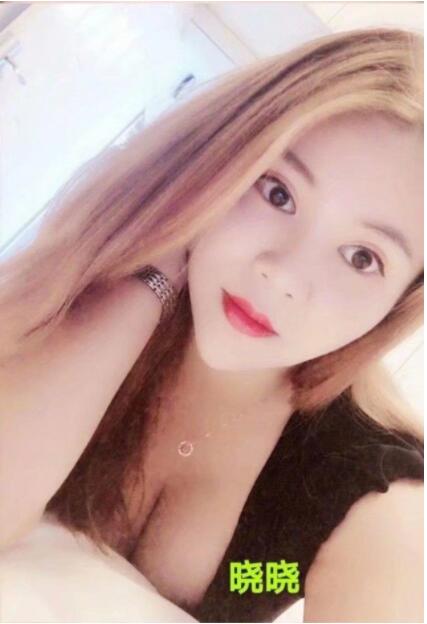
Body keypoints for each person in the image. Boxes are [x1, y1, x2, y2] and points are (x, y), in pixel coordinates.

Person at [0, 26, 423, 623]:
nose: (283, 275)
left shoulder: (365, 493)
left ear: (399, 303)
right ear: (225, 157)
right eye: (277, 192)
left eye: (362, 258)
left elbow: (329, 579)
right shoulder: (81, 296)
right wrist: (153, 267)